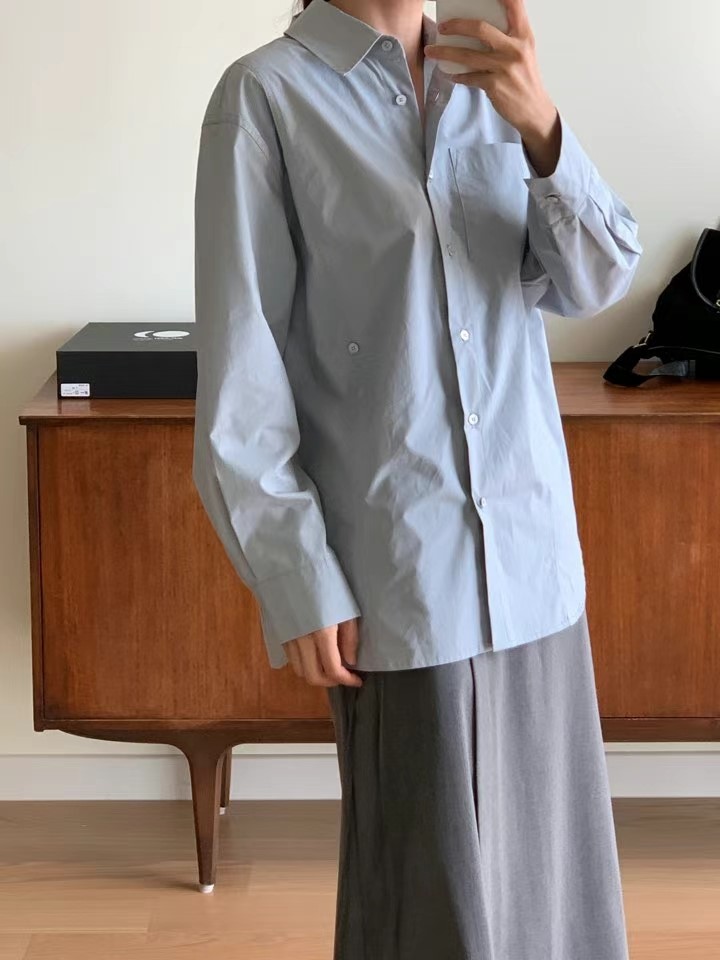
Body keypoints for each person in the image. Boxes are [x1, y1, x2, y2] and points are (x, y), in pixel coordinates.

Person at [192, 0, 642, 957]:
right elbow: (243, 374)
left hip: (531, 557)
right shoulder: (266, 96)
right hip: (402, 569)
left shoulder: (493, 77)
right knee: (428, 907)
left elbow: (596, 282)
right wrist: (297, 576)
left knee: (557, 902)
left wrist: (542, 124)